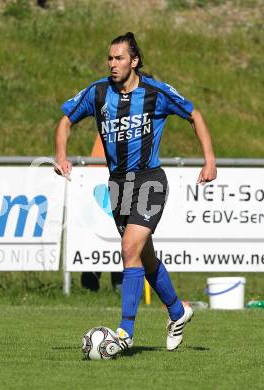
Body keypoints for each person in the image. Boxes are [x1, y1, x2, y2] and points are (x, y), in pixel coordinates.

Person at [54, 32, 217, 352]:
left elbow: (194, 115)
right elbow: (65, 121)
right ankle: (177, 311)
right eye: (110, 58)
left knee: (129, 248)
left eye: (119, 58)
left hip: (149, 180)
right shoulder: (98, 92)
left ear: (134, 61)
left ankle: (125, 331)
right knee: (144, 255)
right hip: (118, 184)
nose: (113, 64)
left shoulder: (156, 92)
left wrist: (209, 160)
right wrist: (61, 154)